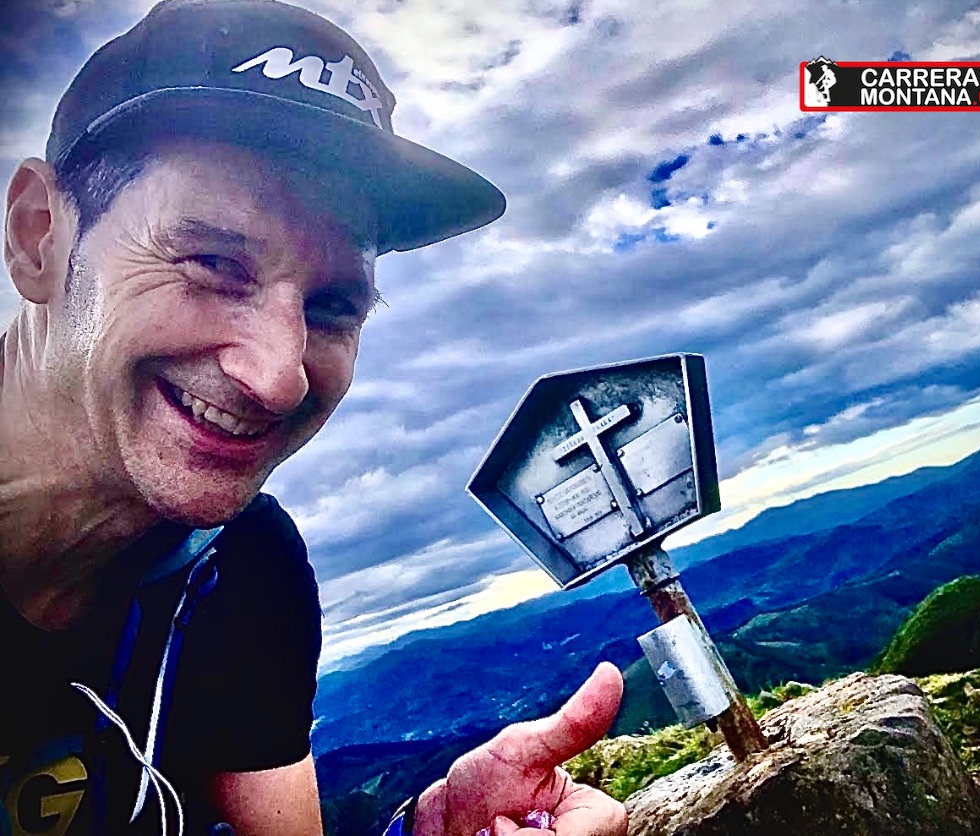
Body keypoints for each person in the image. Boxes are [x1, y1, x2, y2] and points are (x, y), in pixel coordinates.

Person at [0, 0, 629, 834]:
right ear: (38, 237)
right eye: (213, 262)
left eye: (333, 306)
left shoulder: (237, 570)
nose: (277, 378)